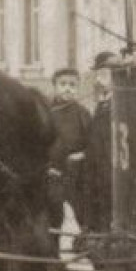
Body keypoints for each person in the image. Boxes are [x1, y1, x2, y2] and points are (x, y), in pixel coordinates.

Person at [46, 66, 91, 229]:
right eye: (63, 84)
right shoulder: (46, 112)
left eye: (72, 85)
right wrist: (47, 166)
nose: (67, 88)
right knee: (53, 215)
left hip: (76, 173)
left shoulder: (83, 114)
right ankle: (51, 250)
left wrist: (82, 155)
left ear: (78, 88)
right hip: (52, 173)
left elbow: (93, 144)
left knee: (83, 213)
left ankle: (85, 243)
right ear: (55, 86)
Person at [79, 51, 116, 234]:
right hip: (97, 160)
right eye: (99, 73)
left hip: (109, 161)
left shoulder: (118, 102)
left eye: (105, 72)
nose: (100, 78)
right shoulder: (102, 102)